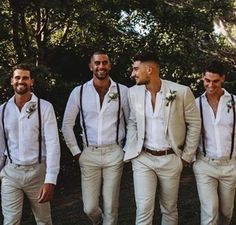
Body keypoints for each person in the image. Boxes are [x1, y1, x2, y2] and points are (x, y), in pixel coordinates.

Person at [123, 52, 201, 225]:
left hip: (171, 159)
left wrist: (186, 157)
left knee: (169, 208)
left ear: (149, 69)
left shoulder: (181, 92)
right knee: (143, 208)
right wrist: (132, 148)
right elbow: (133, 122)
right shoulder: (133, 92)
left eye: (136, 69)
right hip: (143, 159)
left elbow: (195, 124)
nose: (132, 73)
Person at [62, 50, 129, 225]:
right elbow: (67, 125)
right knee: (90, 208)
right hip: (88, 153)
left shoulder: (123, 91)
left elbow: (133, 123)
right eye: (97, 63)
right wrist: (77, 153)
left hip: (114, 152)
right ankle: (99, 222)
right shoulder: (79, 92)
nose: (101, 66)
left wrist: (126, 150)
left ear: (110, 65)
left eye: (105, 62)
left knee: (110, 205)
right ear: (91, 66)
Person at [0, 63, 61, 225]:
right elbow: (0, 146)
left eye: (25, 78)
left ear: (32, 81)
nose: (21, 81)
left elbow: (53, 144)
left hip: (37, 173)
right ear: (12, 81)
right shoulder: (3, 110)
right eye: (17, 78)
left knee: (44, 220)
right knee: (10, 221)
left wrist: (50, 180)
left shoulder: (45, 108)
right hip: (11, 173)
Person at [193, 60, 236, 225]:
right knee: (210, 212)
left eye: (215, 81)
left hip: (230, 165)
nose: (210, 85)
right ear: (203, 79)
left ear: (223, 78)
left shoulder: (233, 101)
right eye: (207, 80)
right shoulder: (195, 104)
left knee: (226, 212)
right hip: (205, 165)